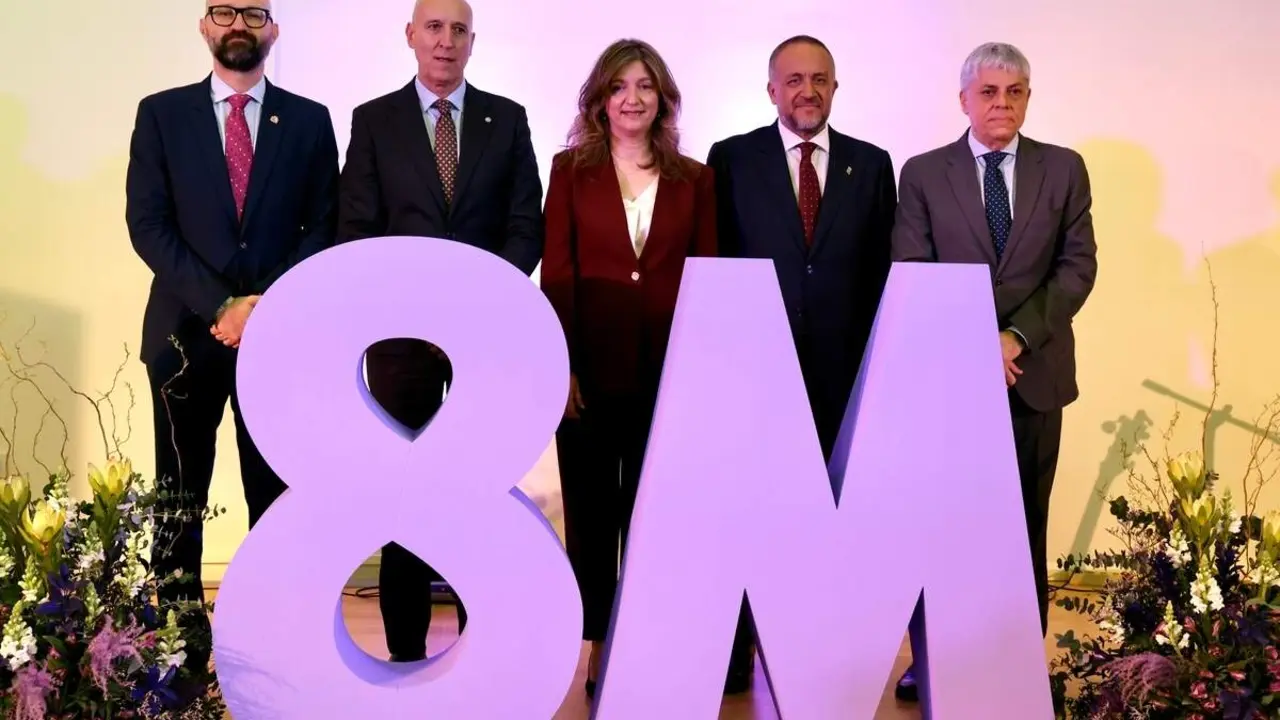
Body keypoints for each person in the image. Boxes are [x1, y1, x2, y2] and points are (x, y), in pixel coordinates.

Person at [124, 0, 338, 697]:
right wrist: (220, 304)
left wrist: (261, 307)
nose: (238, 22)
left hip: (280, 342)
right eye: (224, 10)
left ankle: (272, 659)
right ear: (204, 26)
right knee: (179, 503)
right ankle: (180, 664)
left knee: (273, 503)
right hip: (185, 338)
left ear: (272, 29)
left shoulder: (309, 120)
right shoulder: (161, 113)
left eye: (254, 11)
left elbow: (325, 225)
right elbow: (148, 224)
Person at [888, 41, 1097, 701]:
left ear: (1027, 99)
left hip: (1032, 379)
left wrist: (1012, 337)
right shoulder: (923, 174)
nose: (1001, 103)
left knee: (1025, 523)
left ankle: (1017, 659)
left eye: (1014, 92)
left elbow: (1077, 267)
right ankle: (932, 658)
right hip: (950, 384)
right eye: (988, 92)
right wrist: (977, 344)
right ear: (964, 101)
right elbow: (913, 271)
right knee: (944, 522)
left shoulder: (1064, 169)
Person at [335, 0, 544, 663]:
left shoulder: (506, 121)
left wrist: (473, 305)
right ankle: (405, 658)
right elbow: (358, 232)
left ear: (473, 42)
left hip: (485, 346)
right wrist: (417, 310)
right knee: (405, 503)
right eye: (434, 28)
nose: (446, 41)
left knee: (479, 498)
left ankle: (484, 659)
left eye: (458, 30)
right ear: (411, 37)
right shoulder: (374, 121)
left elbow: (524, 225)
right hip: (402, 349)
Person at [705, 34, 897, 694]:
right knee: (749, 515)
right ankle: (735, 655)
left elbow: (881, 275)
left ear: (835, 88)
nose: (807, 90)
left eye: (819, 79)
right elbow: (719, 268)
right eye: (793, 79)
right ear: (771, 90)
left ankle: (820, 651)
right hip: (758, 377)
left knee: (836, 520)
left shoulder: (872, 167)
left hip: (844, 377)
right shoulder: (730, 161)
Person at [540, 38, 716, 698]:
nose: (633, 98)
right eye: (619, 86)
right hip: (586, 378)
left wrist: (698, 378)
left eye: (645, 85)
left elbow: (709, 281)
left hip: (668, 382)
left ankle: (646, 645)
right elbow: (557, 276)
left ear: (662, 99)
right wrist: (562, 368)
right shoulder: (569, 170)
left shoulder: (695, 179)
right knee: (591, 520)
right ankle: (597, 646)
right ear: (600, 100)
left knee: (656, 519)